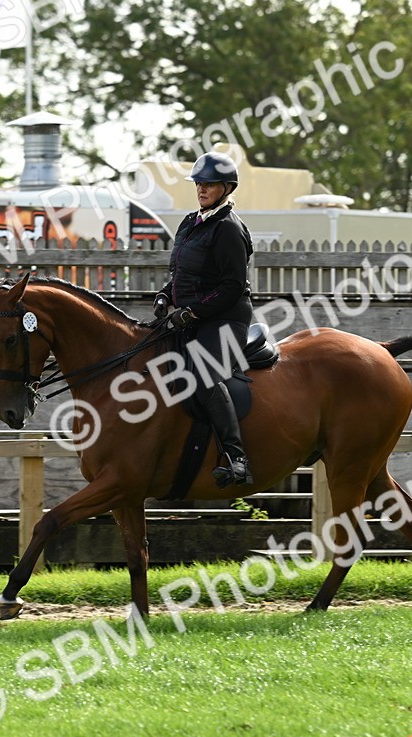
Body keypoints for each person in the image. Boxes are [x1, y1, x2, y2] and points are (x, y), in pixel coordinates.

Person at [154, 151, 254, 488]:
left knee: (204, 375)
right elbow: (182, 273)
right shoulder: (190, 222)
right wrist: (165, 295)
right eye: (198, 183)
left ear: (226, 187)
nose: (201, 188)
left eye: (208, 184)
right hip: (191, 317)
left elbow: (232, 286)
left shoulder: (229, 228)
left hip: (226, 319)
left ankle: (236, 456)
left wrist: (193, 310)